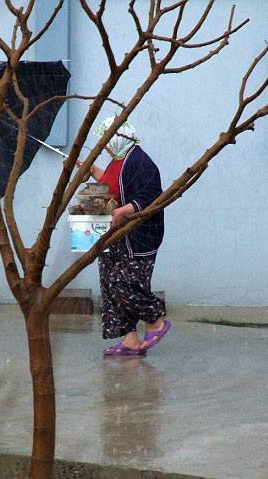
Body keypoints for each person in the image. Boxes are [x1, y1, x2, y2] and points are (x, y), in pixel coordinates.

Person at [79, 117, 170, 356]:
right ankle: (130, 339)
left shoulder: (139, 161)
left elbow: (152, 195)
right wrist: (93, 171)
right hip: (115, 233)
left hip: (137, 237)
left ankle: (155, 322)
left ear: (121, 136)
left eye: (108, 139)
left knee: (124, 284)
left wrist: (123, 211)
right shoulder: (117, 160)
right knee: (109, 283)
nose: (105, 145)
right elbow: (113, 186)